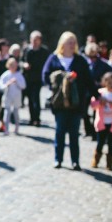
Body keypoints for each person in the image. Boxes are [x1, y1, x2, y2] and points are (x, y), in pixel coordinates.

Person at [43, 31, 98, 170]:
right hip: (60, 103)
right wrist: (57, 84)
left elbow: (88, 79)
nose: (72, 45)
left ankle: (75, 161)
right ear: (63, 43)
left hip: (76, 102)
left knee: (74, 133)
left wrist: (97, 95)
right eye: (70, 42)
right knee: (60, 131)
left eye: (74, 42)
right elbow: (45, 75)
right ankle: (58, 159)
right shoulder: (54, 58)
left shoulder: (80, 60)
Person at [90, 72, 112, 170]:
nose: (111, 84)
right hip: (102, 122)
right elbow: (93, 105)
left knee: (111, 143)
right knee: (100, 142)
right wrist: (100, 102)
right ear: (104, 82)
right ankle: (96, 160)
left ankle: (109, 164)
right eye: (109, 82)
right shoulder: (100, 92)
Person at [83, 43, 112, 139]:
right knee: (84, 112)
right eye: (90, 56)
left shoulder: (102, 64)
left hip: (97, 90)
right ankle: (87, 130)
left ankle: (95, 132)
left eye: (94, 56)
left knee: (96, 113)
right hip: (86, 90)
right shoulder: (84, 63)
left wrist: (104, 82)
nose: (92, 58)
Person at [22, 30, 49, 126]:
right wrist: (24, 65)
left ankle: (37, 118)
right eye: (33, 39)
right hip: (28, 77)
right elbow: (21, 61)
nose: (34, 42)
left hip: (38, 78)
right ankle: (32, 117)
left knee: (36, 98)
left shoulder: (44, 51)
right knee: (29, 99)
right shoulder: (26, 50)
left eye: (36, 40)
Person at [0, 57, 26, 135]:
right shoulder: (6, 74)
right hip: (7, 95)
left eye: (14, 65)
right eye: (11, 65)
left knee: (16, 112)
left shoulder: (18, 75)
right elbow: (1, 84)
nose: (13, 67)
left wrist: (17, 82)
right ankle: (6, 129)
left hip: (17, 96)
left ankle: (16, 128)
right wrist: (7, 84)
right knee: (7, 112)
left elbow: (23, 86)